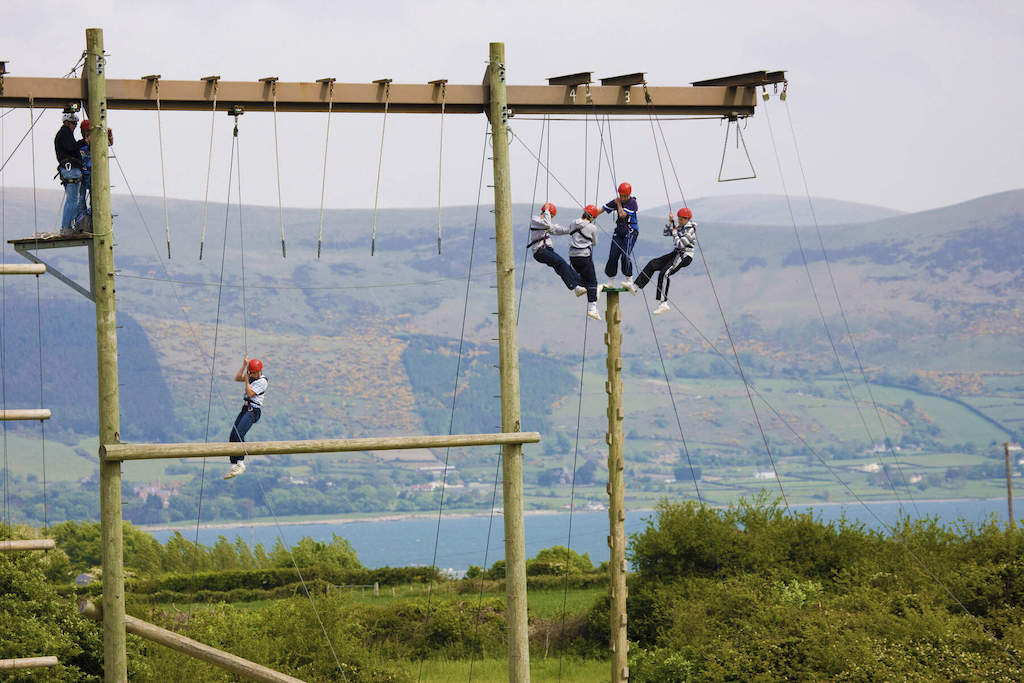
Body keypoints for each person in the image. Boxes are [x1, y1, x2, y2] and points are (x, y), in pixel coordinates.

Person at [633, 207, 697, 315]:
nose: (679, 221)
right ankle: (637, 286)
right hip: (676, 253)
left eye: (681, 219)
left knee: (664, 274)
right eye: (679, 219)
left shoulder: (690, 230)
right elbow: (666, 233)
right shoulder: (680, 227)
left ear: (687, 219)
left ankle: (663, 303)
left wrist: (675, 233)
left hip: (685, 256)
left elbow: (680, 244)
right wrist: (670, 222)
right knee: (653, 264)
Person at [527, 202, 588, 298]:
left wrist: (573, 229)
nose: (551, 218)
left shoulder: (544, 223)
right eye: (552, 216)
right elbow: (547, 224)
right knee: (560, 262)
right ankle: (575, 286)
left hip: (546, 250)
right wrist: (547, 211)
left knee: (563, 265)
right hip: (540, 250)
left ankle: (582, 284)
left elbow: (557, 229)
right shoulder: (536, 220)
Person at [225, 357, 268, 480]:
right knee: (233, 435)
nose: (252, 375)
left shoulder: (262, 381)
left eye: (253, 373)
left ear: (259, 372)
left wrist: (247, 381)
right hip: (246, 409)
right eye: (251, 373)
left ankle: (241, 463)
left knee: (239, 434)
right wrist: (244, 366)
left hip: (253, 410)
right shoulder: (251, 377)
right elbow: (237, 378)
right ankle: (234, 465)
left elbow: (250, 393)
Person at [75, 119, 114, 233]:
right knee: (81, 199)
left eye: (86, 131)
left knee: (95, 199)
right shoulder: (80, 144)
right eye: (84, 132)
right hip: (83, 175)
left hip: (94, 175)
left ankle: (94, 222)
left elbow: (110, 143)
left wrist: (109, 135)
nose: (85, 134)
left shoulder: (98, 143)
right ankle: (81, 222)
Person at [565, 205, 602, 320]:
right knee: (592, 282)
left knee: (582, 277)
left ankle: (578, 287)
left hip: (573, 256)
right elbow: (594, 243)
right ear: (592, 217)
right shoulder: (592, 228)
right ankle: (592, 308)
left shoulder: (572, 223)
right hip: (584, 256)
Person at [600, 182, 639, 289]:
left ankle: (629, 280)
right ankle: (611, 281)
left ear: (629, 194)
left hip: (630, 231)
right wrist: (591, 215)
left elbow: (622, 215)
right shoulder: (618, 200)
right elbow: (603, 208)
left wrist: (618, 204)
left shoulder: (632, 203)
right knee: (613, 255)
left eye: (624, 196)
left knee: (625, 255)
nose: (622, 198)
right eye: (621, 195)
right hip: (619, 231)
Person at [53, 110, 87, 235]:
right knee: (73, 200)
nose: (75, 126)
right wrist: (84, 141)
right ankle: (66, 227)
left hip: (68, 169)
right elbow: (71, 147)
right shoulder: (65, 132)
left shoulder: (64, 133)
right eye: (73, 124)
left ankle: (68, 227)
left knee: (73, 199)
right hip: (70, 169)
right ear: (67, 122)